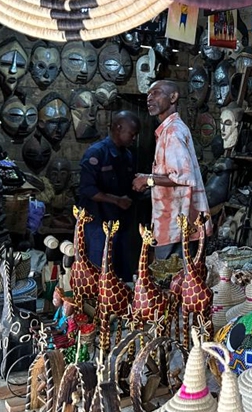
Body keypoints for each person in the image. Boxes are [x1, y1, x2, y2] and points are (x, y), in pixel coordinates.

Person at [132, 80, 211, 259]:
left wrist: (147, 180)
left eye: (156, 93)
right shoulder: (169, 130)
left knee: (171, 279)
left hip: (176, 226)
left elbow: (182, 177)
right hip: (174, 223)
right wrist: (148, 176)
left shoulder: (173, 132)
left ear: (173, 97)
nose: (149, 98)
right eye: (148, 94)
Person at [77, 110, 140, 281]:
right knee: (100, 271)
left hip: (120, 223)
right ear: (118, 128)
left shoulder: (127, 155)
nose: (133, 138)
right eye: (132, 134)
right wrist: (116, 200)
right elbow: (87, 189)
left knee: (121, 271)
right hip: (98, 222)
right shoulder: (96, 153)